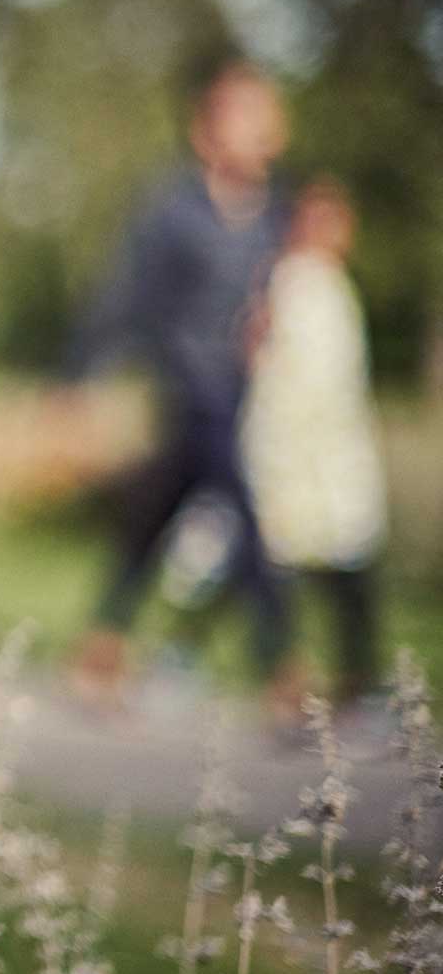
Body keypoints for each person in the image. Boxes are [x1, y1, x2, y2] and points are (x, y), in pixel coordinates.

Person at [63, 49, 295, 714]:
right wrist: (81, 373)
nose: (254, 126)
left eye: (262, 113)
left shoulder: (276, 211)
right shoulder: (173, 208)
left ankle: (104, 640)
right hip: (190, 384)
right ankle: (280, 665)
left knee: (155, 515)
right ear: (205, 127)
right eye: (238, 113)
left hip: (240, 386)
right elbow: (126, 295)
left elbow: (278, 289)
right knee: (247, 516)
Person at [241, 177, 388, 705]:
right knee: (289, 569)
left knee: (345, 573)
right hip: (298, 454)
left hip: (334, 457)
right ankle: (292, 679)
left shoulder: (330, 283)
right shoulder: (294, 283)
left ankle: (352, 682)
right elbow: (284, 376)